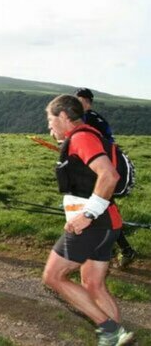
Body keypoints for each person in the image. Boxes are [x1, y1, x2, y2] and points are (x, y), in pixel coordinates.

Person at [42, 94, 134, 346]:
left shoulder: (81, 137)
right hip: (107, 224)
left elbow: (109, 176)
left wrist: (87, 215)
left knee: (53, 276)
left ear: (63, 116)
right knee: (93, 284)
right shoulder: (86, 136)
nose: (49, 127)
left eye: (51, 121)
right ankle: (118, 338)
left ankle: (109, 329)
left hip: (93, 225)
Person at [75, 88, 137, 269]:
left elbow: (104, 147)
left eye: (80, 101)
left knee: (102, 210)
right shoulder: (83, 119)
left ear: (88, 102)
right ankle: (115, 250)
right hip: (94, 172)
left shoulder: (94, 120)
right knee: (102, 210)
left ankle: (120, 251)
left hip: (101, 173)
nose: (77, 104)